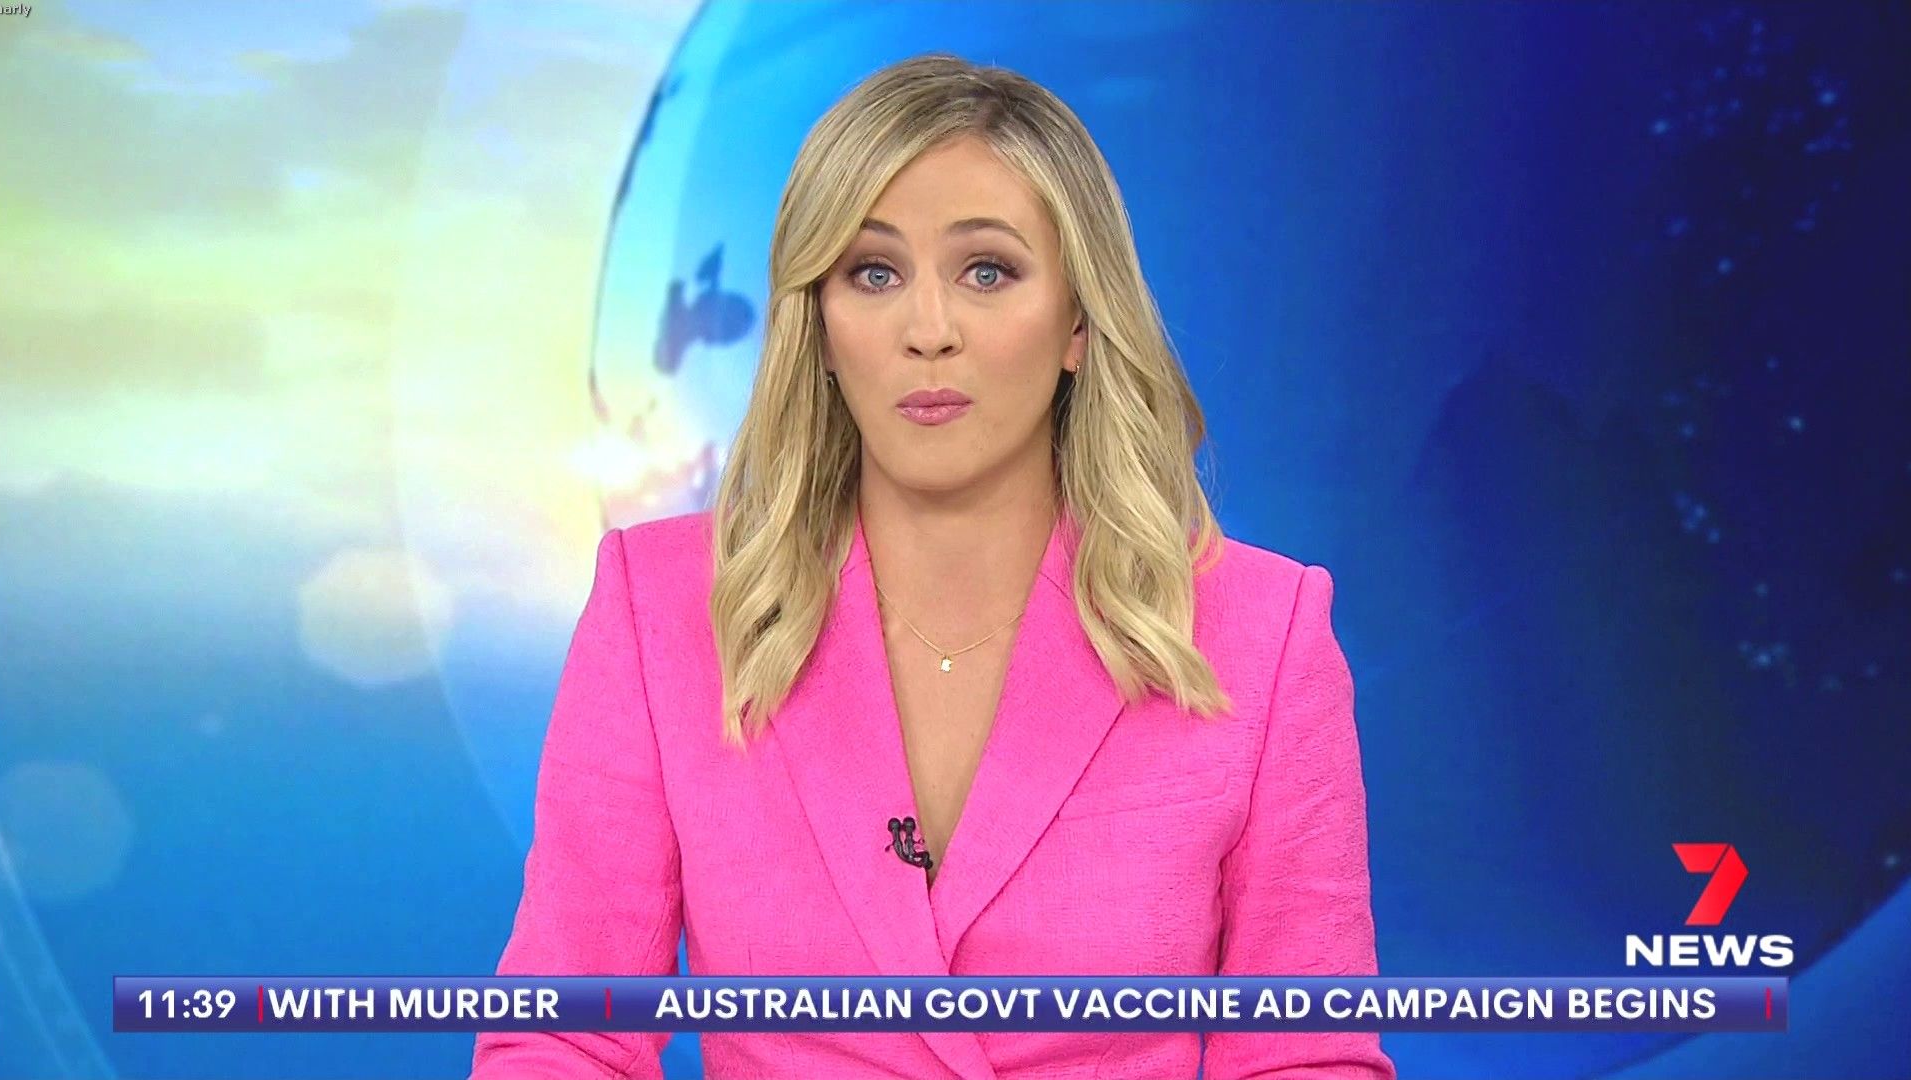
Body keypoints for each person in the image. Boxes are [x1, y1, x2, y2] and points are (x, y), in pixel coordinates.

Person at [470, 51, 1393, 1080]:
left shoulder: (1263, 633)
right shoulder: (661, 611)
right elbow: (564, 1037)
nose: (929, 332)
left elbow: (1305, 1056)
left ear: (1078, 322)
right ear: (820, 326)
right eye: (874, 274)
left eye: (986, 272)